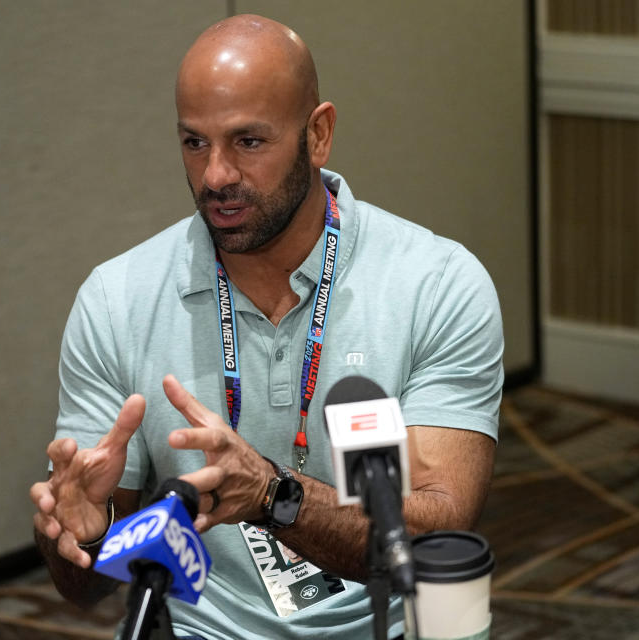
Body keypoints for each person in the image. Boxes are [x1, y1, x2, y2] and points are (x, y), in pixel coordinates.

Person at [30, 14, 503, 640]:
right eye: (194, 143)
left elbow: (438, 530)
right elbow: (88, 586)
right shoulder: (116, 301)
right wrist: (81, 535)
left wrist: (272, 495)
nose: (216, 175)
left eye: (248, 142)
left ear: (319, 133)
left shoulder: (437, 284)